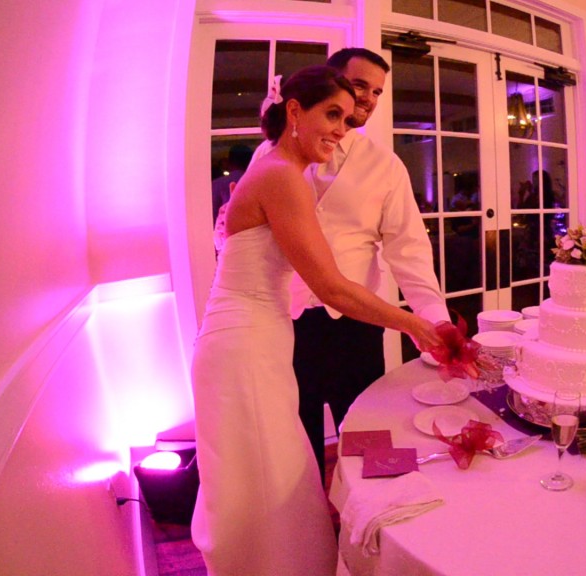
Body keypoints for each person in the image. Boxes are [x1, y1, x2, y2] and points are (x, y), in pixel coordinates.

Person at [190, 66, 442, 576]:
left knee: (272, 474)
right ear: (294, 111)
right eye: (332, 113)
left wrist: (426, 309)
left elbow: (406, 249)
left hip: (256, 339)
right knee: (268, 476)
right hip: (248, 346)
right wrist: (416, 325)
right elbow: (328, 285)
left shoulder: (281, 170)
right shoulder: (280, 173)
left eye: (347, 120)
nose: (341, 128)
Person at [254, 48, 451, 478]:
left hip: (356, 322)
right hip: (281, 322)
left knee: (367, 434)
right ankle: (309, 528)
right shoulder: (269, 157)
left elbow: (409, 249)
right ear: (332, 82)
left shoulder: (386, 166)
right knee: (293, 439)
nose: (368, 99)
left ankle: (369, 529)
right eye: (360, 85)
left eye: (377, 91)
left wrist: (433, 318)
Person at [211, 144, 253, 224]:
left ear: (229, 162)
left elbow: (212, 214)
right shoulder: (257, 182)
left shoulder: (218, 184)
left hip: (223, 231)